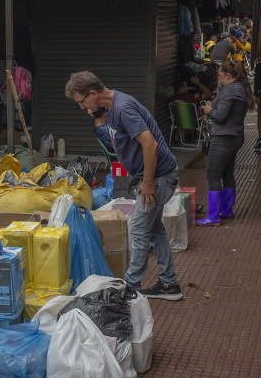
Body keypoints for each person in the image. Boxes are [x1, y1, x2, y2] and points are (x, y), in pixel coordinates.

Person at [65, 71, 183, 300]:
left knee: (138, 228)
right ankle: (170, 284)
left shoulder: (122, 109)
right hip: (153, 177)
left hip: (159, 178)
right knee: (154, 229)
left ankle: (131, 288)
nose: (81, 108)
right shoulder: (110, 108)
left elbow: (150, 144)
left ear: (92, 93)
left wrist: (148, 184)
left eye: (81, 102)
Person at [195, 61, 255, 226]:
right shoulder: (238, 88)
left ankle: (213, 216)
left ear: (228, 76)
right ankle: (226, 210)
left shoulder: (230, 90)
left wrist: (209, 111)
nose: (219, 79)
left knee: (213, 175)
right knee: (227, 173)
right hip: (235, 137)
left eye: (220, 76)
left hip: (224, 138)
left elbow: (220, 116)